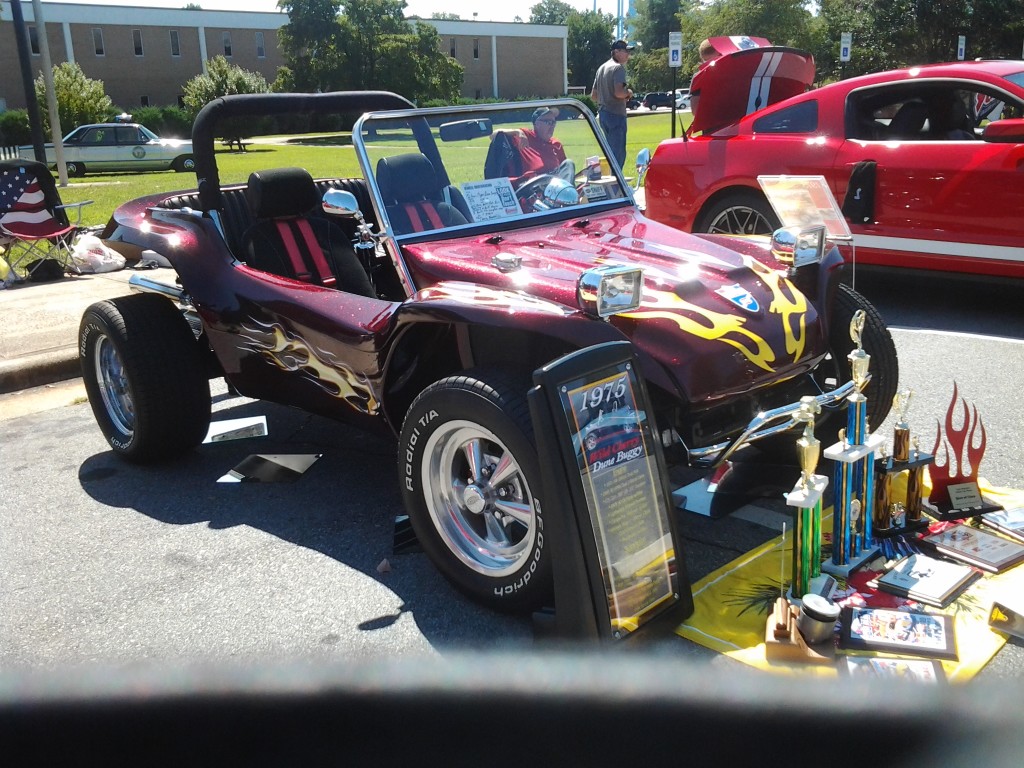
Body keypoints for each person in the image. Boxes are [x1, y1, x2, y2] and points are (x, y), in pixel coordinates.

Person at [590, 39, 634, 169]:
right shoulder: (618, 68)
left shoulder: (601, 68)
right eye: (626, 51)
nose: (628, 54)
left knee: (610, 153)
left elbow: (593, 96)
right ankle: (616, 187)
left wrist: (607, 97)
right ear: (616, 52)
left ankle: (611, 183)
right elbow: (619, 93)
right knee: (618, 155)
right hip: (616, 115)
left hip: (603, 115)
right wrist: (628, 93)